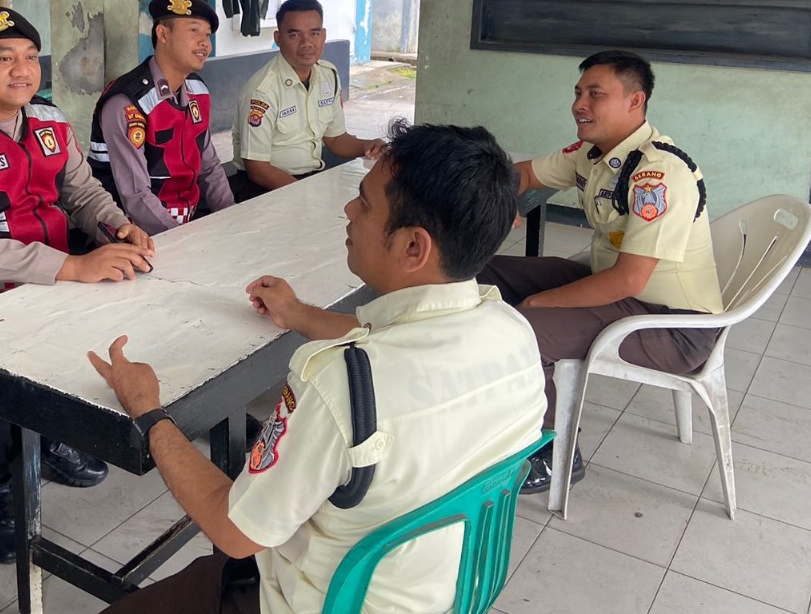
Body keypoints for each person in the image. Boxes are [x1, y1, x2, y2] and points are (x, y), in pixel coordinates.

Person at [88, 122, 545, 614]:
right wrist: (299, 314)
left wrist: (150, 412)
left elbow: (234, 531)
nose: (349, 210)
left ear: (414, 248)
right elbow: (401, 339)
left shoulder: (342, 384)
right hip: (444, 591)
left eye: (364, 203)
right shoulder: (512, 331)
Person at [0, 5, 155, 562]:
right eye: (3, 58)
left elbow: (82, 193)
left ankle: (53, 437)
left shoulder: (47, 120)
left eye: (30, 57)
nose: (22, 70)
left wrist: (117, 225)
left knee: (108, 349)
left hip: (46, 287)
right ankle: (4, 488)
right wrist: (74, 267)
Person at [479, 50, 721, 494]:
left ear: (635, 101)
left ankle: (553, 452)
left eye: (595, 94)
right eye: (578, 93)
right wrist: (503, 199)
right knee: (483, 270)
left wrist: (540, 302)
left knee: (524, 326)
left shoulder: (658, 174)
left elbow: (629, 279)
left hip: (672, 325)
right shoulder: (593, 155)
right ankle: (474, 392)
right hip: (619, 293)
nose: (579, 105)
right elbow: (524, 174)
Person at [89, 0, 234, 235]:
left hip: (187, 222)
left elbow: (209, 167)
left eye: (207, 35)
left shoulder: (198, 90)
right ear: (163, 34)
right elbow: (136, 195)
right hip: (134, 233)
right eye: (194, 31)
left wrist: (232, 217)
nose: (205, 43)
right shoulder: (128, 102)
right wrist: (181, 238)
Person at [230, 0, 384, 201]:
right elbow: (258, 169)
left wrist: (367, 146)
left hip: (309, 180)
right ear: (278, 38)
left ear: (323, 35)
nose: (307, 43)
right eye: (294, 35)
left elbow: (335, 139)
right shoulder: (262, 91)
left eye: (314, 33)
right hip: (263, 189)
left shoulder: (328, 75)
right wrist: (305, 195)